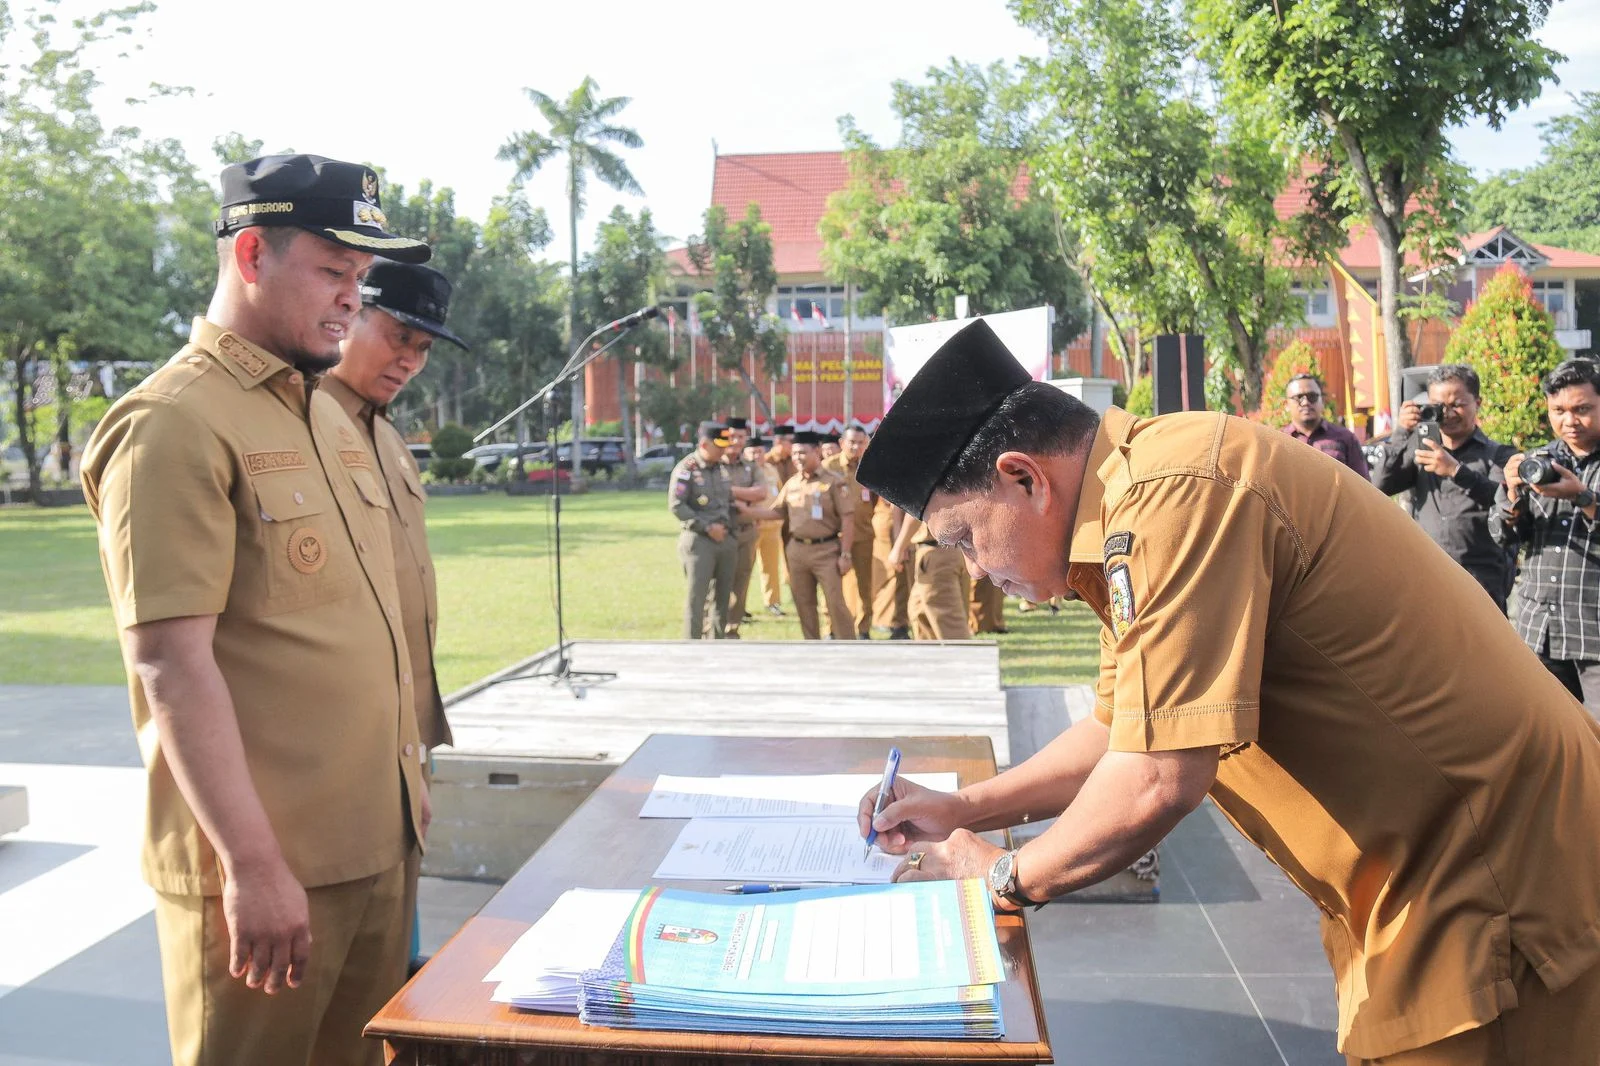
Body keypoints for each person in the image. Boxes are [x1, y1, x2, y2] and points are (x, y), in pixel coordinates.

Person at [855, 318, 1600, 1065]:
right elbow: (1120, 729)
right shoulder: (1130, 497)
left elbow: (1158, 777)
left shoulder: (1172, 498)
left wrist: (1002, 878)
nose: (975, 570)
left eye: (965, 539)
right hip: (1430, 864)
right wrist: (964, 808)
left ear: (1024, 477)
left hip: (1497, 867)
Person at [80, 153, 433, 1066]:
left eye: (361, 276)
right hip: (272, 869)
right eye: (333, 270)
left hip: (375, 845)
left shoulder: (327, 414)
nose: (352, 298)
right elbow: (170, 662)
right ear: (250, 256)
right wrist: (251, 865)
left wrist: (407, 786)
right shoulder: (174, 423)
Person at [322, 259, 465, 970]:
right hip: (342, 743)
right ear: (349, 315)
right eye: (399, 337)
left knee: (391, 945)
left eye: (424, 347)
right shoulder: (305, 425)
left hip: (403, 731)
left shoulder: (384, 433)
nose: (410, 360)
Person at [1493, 359, 1600, 714]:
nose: (1570, 421)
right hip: (1541, 629)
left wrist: (1583, 497)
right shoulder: (1539, 461)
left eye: (1582, 409)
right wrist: (1511, 495)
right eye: (1559, 411)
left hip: (1594, 631)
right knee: (1547, 734)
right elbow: (1501, 535)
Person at [1371, 364, 1517, 611]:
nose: (1447, 413)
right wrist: (1402, 432)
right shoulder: (1421, 450)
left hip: (1481, 580)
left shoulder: (1499, 455)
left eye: (1457, 404)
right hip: (1428, 577)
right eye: (1439, 405)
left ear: (1477, 403)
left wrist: (1456, 471)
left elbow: (1502, 499)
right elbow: (1380, 485)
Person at [770, 430, 855, 640]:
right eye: (794, 453)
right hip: (797, 551)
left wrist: (845, 554)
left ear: (816, 451)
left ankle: (849, 645)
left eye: (802, 452)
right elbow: (776, 512)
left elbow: (847, 519)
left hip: (827, 550)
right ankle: (811, 646)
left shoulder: (834, 481)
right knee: (803, 603)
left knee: (835, 602)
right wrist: (743, 512)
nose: (797, 457)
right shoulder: (792, 483)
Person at [669, 422, 736, 639]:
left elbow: (727, 502)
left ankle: (717, 643)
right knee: (697, 598)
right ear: (705, 444)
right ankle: (692, 645)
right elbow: (677, 505)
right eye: (719, 446)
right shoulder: (687, 469)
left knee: (723, 599)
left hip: (725, 539)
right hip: (699, 541)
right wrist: (706, 527)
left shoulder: (722, 468)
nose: (723, 451)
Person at [823, 424, 881, 639]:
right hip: (835, 537)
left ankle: (863, 629)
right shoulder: (828, 467)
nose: (856, 447)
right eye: (851, 442)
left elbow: (874, 498)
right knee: (832, 585)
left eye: (860, 443)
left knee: (865, 585)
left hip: (863, 535)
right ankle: (831, 629)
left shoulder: (868, 467)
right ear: (841, 443)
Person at [888, 508, 972, 640]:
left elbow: (916, 509)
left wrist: (899, 547)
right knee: (919, 613)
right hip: (937, 553)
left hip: (938, 555)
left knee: (952, 633)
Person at [720, 417, 768, 638]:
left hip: (746, 532)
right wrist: (744, 495)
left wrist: (728, 491)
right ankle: (713, 629)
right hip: (720, 533)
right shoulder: (715, 465)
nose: (736, 441)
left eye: (741, 437)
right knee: (718, 583)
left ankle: (732, 630)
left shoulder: (751, 467)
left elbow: (761, 493)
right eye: (732, 436)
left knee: (741, 584)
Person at [1282, 372, 1369, 477]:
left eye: (1312, 396)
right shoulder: (1279, 441)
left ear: (1322, 401)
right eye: (1298, 397)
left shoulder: (1346, 438)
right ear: (1286, 404)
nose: (1305, 402)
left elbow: (1362, 482)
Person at [744, 435, 787, 617]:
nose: (756, 455)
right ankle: (739, 606)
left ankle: (772, 602)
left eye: (759, 451)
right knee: (744, 568)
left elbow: (780, 493)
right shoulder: (742, 472)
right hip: (750, 527)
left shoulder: (771, 469)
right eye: (752, 452)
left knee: (771, 567)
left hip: (772, 527)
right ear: (745, 454)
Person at [871, 496, 913, 639]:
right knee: (895, 575)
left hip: (903, 525)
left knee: (903, 579)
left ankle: (900, 622)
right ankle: (893, 622)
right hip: (895, 524)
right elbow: (894, 502)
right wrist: (899, 542)